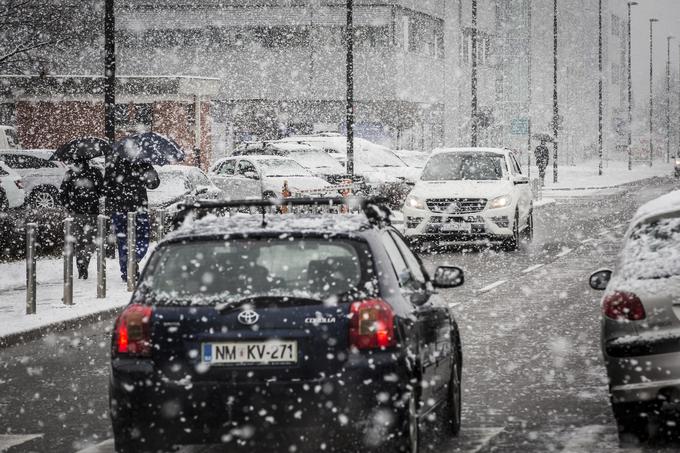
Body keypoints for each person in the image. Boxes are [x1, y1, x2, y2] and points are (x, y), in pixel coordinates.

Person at [105, 158, 160, 282]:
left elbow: (106, 188)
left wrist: (117, 193)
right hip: (138, 208)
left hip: (120, 209)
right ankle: (134, 258)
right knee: (142, 238)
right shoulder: (144, 163)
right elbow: (154, 184)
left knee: (123, 242)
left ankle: (127, 270)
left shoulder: (114, 164)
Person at [58, 159, 104, 280]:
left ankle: (81, 264)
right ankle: (85, 261)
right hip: (92, 211)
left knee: (79, 242)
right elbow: (101, 191)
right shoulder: (95, 172)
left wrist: (70, 206)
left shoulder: (70, 173)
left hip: (75, 213)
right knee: (91, 241)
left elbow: (62, 194)